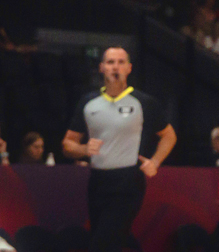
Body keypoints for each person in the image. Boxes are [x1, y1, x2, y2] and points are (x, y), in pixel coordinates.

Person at [61, 47, 176, 252]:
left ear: (129, 68)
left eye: (121, 62)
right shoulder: (88, 102)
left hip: (127, 182)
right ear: (102, 68)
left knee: (102, 245)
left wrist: (156, 161)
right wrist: (83, 148)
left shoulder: (144, 102)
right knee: (104, 241)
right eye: (111, 62)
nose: (116, 67)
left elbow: (169, 135)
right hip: (98, 181)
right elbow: (67, 144)